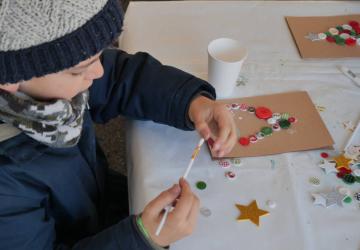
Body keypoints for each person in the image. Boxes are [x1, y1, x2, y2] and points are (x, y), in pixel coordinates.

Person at [0, 0, 237, 249]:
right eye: (79, 70)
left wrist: (190, 101)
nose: (98, 71)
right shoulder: (6, 190)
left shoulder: (51, 77)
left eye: (100, 54)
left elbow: (118, 76)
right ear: (11, 77)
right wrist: (142, 239)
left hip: (98, 203)